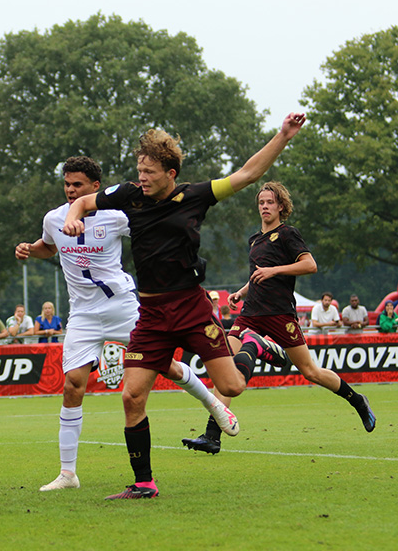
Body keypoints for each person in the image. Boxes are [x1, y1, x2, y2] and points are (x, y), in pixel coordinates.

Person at [63, 113, 306, 500]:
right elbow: (84, 202)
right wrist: (74, 219)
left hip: (192, 308)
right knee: (132, 397)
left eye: (149, 172)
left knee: (231, 386)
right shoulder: (128, 194)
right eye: (139, 170)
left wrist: (283, 135)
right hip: (151, 314)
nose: (141, 177)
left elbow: (247, 174)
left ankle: (254, 346)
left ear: (171, 173)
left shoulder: (195, 196)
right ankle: (144, 483)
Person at [16, 155, 237, 492]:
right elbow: (49, 247)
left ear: (95, 187)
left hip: (122, 305)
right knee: (73, 384)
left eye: (78, 185)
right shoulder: (54, 218)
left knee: (169, 367)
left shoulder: (118, 216)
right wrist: (30, 250)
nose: (71, 191)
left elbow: (155, 231)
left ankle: (214, 404)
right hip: (83, 315)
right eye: (67, 184)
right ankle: (67, 474)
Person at [184, 181, 375, 456]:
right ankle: (213, 434)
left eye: (269, 202)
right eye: (261, 203)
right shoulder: (254, 240)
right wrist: (240, 292)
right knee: (225, 368)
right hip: (250, 313)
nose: (264, 207)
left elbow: (310, 265)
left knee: (310, 371)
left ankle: (357, 400)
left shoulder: (288, 234)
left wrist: (275, 271)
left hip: (280, 314)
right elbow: (258, 275)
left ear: (281, 207)